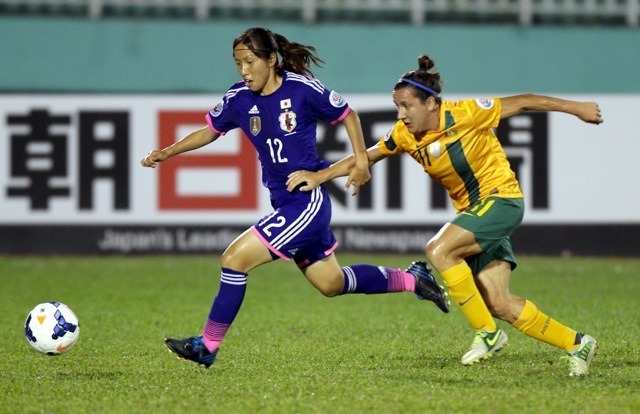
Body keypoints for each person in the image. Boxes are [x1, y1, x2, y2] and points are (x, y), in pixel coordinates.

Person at [140, 29, 449, 369]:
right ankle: (414, 279)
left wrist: (361, 161)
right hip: (284, 203)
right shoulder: (238, 98)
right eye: (238, 63)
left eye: (250, 62)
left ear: (271, 60)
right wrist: (168, 152)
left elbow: (347, 114)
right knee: (331, 283)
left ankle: (208, 345)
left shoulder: (301, 90)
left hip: (307, 201)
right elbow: (210, 130)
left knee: (233, 260)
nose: (243, 70)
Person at [286, 54, 603, 377]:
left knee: (439, 250)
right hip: (474, 213)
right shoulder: (405, 134)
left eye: (407, 106)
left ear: (432, 104)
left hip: (501, 200)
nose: (401, 114)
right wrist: (320, 176)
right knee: (499, 303)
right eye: (397, 106)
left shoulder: (466, 113)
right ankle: (578, 343)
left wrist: (576, 108)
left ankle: (488, 334)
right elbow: (366, 156)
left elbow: (524, 102)